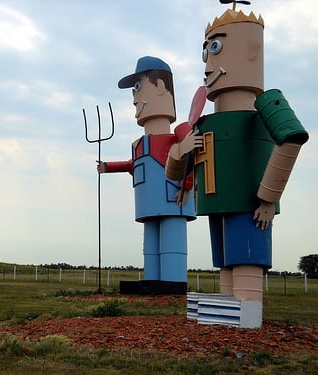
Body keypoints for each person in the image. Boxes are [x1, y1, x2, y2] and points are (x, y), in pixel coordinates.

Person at [166, 1, 308, 326]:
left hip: (250, 204)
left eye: (216, 48)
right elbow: (174, 172)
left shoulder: (267, 104)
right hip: (216, 202)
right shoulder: (202, 122)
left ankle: (247, 316)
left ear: (252, 49)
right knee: (225, 264)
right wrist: (180, 151)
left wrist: (269, 197)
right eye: (206, 53)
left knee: (245, 258)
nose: (208, 63)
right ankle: (227, 318)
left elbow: (292, 138)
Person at [99, 56, 195, 294]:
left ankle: (173, 282)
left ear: (160, 87)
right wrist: (108, 167)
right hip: (147, 203)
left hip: (172, 199)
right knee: (150, 246)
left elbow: (192, 161)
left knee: (172, 243)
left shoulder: (179, 136)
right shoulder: (140, 144)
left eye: (138, 88)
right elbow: (134, 165)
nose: (134, 99)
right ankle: (153, 279)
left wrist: (186, 185)